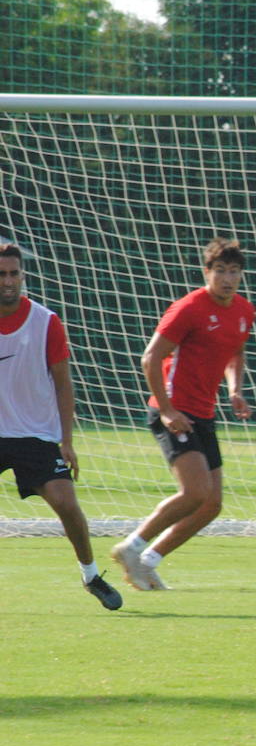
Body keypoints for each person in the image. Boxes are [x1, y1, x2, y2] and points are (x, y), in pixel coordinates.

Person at [111, 237, 255, 591]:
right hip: (173, 410)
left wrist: (234, 389)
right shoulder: (188, 308)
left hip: (204, 414)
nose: (227, 278)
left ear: (240, 275)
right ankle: (131, 547)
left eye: (233, 271)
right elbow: (150, 358)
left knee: (212, 504)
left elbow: (236, 352)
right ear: (207, 273)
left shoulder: (243, 311)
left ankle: (147, 561)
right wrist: (168, 409)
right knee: (195, 492)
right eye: (219, 271)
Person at [0, 243, 121, 610]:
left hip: (35, 433)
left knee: (67, 503)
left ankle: (91, 575)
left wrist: (66, 440)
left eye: (13, 273)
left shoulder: (45, 321)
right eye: (1, 274)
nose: (8, 281)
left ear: (23, 276)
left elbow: (63, 383)